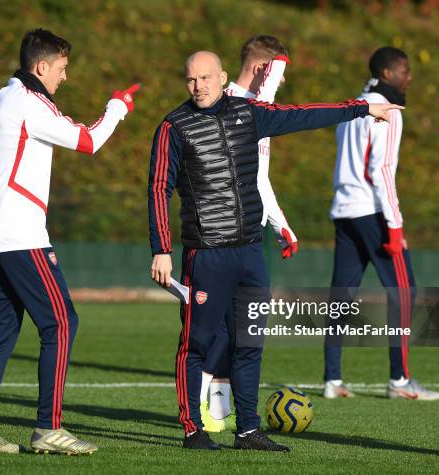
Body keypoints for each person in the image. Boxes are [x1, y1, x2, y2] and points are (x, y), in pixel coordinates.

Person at [148, 50, 400, 450]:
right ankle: (193, 429)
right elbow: (159, 187)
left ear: (223, 77)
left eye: (206, 78)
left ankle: (248, 430)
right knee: (195, 343)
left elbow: (303, 114)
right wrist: (161, 248)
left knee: (249, 345)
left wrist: (364, 109)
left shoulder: (249, 114)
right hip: (206, 254)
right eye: (191, 79)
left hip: (249, 253)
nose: (199, 86)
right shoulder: (173, 127)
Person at [0, 28, 139, 455]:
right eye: (61, 69)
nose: (65, 77)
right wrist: (117, 106)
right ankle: (48, 428)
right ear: (41, 67)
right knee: (62, 322)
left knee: (0, 337)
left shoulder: (1, 98)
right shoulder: (29, 102)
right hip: (21, 232)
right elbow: (89, 140)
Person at [323, 46, 439, 401]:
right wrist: (395, 226)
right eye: (404, 70)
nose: (410, 76)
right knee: (403, 292)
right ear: (388, 74)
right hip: (372, 212)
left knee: (341, 296)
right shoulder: (388, 110)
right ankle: (400, 381)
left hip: (343, 210)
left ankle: (332, 380)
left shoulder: (352, 106)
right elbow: (381, 170)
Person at [200, 35, 298, 433]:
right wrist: (276, 70)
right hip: (222, 235)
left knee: (243, 328)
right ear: (264, 70)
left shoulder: (257, 111)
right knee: (222, 328)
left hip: (251, 235)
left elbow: (259, 177)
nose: (282, 82)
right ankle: (201, 407)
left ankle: (226, 415)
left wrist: (281, 223)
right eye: (279, 73)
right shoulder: (230, 105)